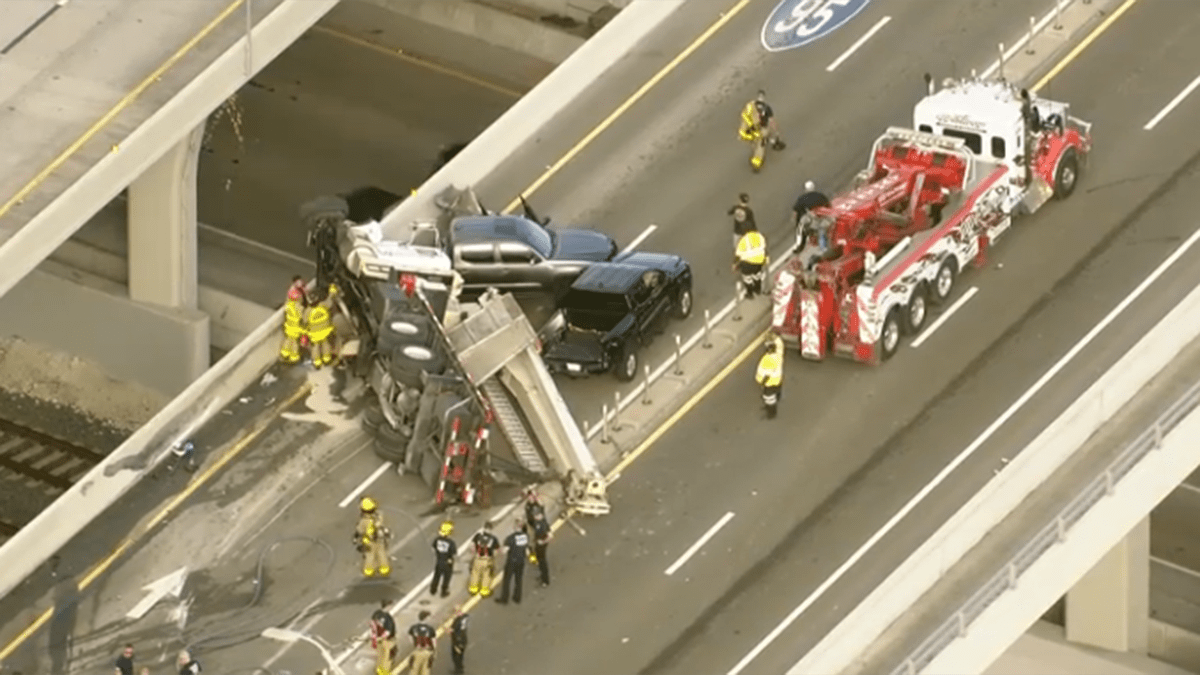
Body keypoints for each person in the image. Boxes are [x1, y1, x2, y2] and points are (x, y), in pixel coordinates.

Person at [739, 90, 785, 170]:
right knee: (761, 144)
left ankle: (770, 141)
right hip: (758, 130)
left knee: (758, 141)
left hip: (750, 130)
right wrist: (776, 132)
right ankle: (757, 162)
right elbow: (771, 121)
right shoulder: (765, 108)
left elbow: (744, 115)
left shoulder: (751, 105)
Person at [355, 496, 391, 578]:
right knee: (381, 553)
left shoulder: (364, 521)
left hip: (369, 541)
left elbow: (360, 530)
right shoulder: (377, 518)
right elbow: (380, 525)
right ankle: (384, 568)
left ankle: (369, 570)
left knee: (370, 556)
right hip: (379, 539)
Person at [305, 284, 339, 369]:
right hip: (325, 331)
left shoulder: (308, 311)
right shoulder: (323, 305)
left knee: (315, 348)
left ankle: (317, 363)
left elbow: (304, 322)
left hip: (314, 334)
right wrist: (332, 291)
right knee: (326, 345)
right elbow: (330, 301)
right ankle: (327, 359)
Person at [496, 522, 529, 605]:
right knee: (518, 579)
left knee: (507, 580)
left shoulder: (510, 538)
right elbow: (527, 551)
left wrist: (499, 549)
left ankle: (504, 598)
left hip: (511, 561)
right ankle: (517, 598)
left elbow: (504, 551)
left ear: (514, 527)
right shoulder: (525, 536)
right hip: (521, 561)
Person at [733, 225, 768, 299]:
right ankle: (758, 290)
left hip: (747, 264)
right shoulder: (759, 236)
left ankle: (750, 294)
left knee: (747, 279)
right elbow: (764, 248)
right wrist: (765, 259)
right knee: (757, 276)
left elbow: (738, 255)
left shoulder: (743, 240)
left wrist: (735, 264)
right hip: (758, 262)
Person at [792, 180, 831, 246]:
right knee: (822, 229)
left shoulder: (802, 199)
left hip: (812, 222)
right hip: (822, 220)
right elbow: (829, 207)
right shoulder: (820, 196)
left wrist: (796, 224)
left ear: (805, 189)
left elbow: (795, 213)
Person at [755, 335, 784, 419]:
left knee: (769, 398)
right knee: (776, 392)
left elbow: (767, 373)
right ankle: (777, 398)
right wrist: (775, 338)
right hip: (777, 380)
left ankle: (771, 413)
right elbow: (780, 346)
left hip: (769, 382)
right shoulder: (778, 355)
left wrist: (763, 383)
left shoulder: (768, 359)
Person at [468, 521, 500, 596]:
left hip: (478, 558)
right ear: (491, 529)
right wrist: (493, 558)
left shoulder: (478, 536)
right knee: (487, 575)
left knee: (475, 574)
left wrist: (473, 554)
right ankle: (484, 591)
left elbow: (471, 545)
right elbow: (496, 550)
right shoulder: (493, 539)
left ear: (484, 528)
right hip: (487, 560)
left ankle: (473, 589)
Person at [280, 282, 307, 364]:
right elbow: (303, 319)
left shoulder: (288, 306)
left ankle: (284, 353)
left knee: (288, 340)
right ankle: (294, 357)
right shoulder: (300, 309)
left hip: (289, 326)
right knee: (294, 343)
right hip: (296, 328)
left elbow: (285, 314)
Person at [370, 600, 398, 675]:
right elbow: (388, 632)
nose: (391, 607)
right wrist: (382, 638)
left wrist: (375, 638)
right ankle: (384, 673)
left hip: (378, 641)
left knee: (380, 657)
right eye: (391, 606)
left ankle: (378, 671)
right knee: (387, 658)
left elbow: (373, 626)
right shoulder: (387, 617)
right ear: (387, 606)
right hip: (387, 641)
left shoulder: (376, 614)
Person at [430, 521, 457, 597]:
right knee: (446, 578)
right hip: (447, 562)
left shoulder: (437, 540)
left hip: (439, 561)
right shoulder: (451, 542)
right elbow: (454, 553)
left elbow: (433, 548)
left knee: (437, 576)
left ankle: (433, 589)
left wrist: (438, 554)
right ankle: (444, 591)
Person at [408, 610, 437, 675]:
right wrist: (434, 651)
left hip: (417, 651)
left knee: (414, 670)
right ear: (426, 618)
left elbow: (410, 637)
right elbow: (434, 641)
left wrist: (414, 644)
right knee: (425, 670)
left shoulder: (413, 628)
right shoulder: (430, 629)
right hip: (427, 652)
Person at [530, 510, 551, 587]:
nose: (535, 517)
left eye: (537, 515)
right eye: (534, 515)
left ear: (541, 515)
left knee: (542, 562)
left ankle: (546, 580)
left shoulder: (543, 524)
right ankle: (542, 576)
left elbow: (550, 536)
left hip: (542, 545)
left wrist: (543, 542)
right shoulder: (536, 522)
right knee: (539, 559)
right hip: (537, 544)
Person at [450, 606, 470, 675]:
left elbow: (453, 630)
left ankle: (458, 671)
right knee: (461, 655)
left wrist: (447, 629)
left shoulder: (457, 621)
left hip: (457, 641)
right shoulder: (465, 617)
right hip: (464, 639)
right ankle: (461, 668)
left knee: (456, 656)